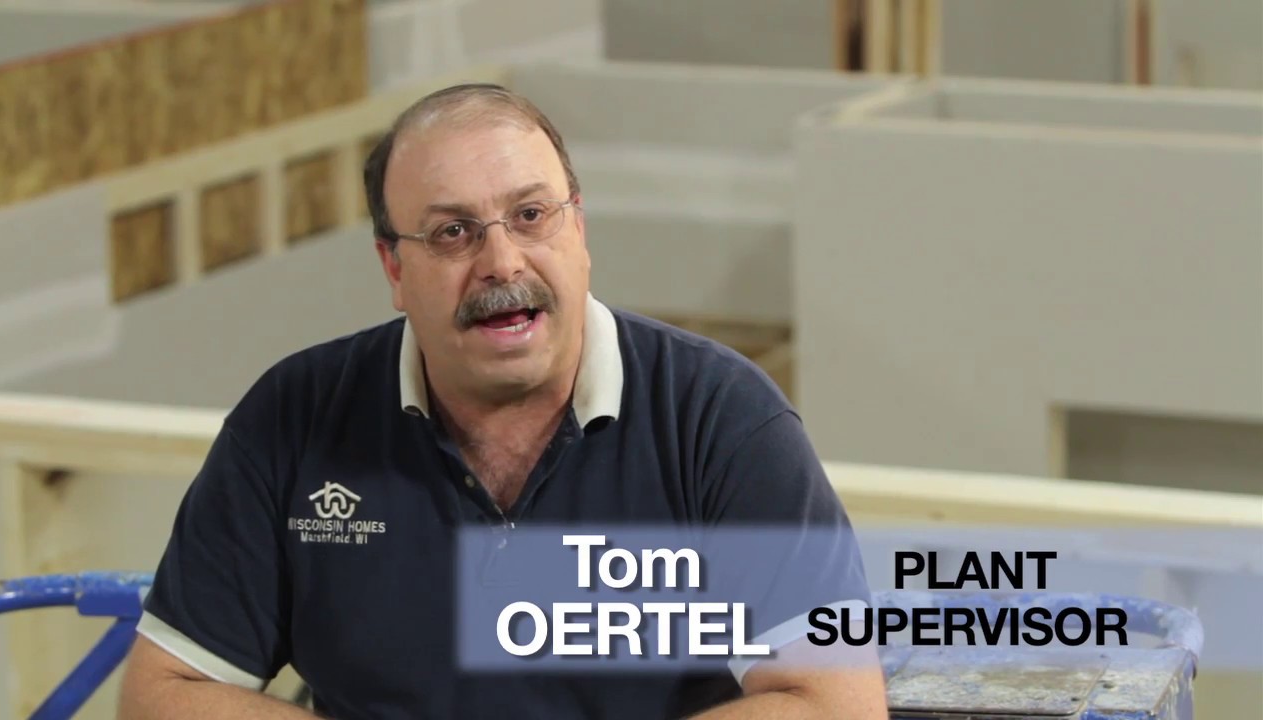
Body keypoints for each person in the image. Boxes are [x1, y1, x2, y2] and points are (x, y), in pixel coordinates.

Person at [117, 83, 888, 720]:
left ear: (579, 228)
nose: (502, 262)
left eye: (530, 215)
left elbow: (832, 704)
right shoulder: (295, 417)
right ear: (393, 268)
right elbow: (163, 694)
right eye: (452, 232)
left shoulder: (717, 418)